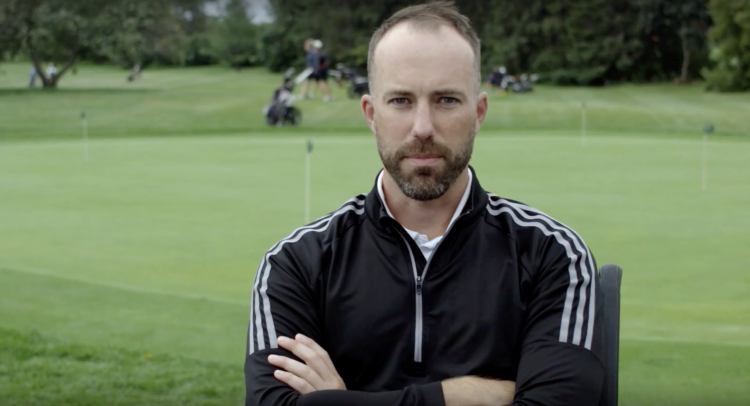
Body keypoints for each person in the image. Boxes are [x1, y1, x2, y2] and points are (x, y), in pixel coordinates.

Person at [244, 2, 604, 406]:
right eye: (400, 101)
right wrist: (465, 395)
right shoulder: (296, 263)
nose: (423, 128)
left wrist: (344, 401)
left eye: (447, 100)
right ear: (371, 113)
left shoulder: (552, 254)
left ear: (479, 112)